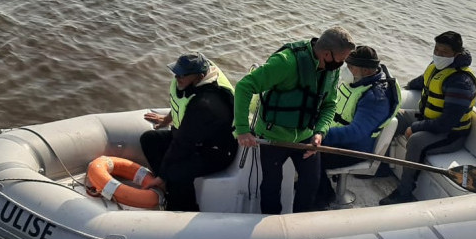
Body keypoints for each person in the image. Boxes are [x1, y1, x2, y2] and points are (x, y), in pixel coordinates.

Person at [234, 26, 355, 214]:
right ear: (326, 53)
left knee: (311, 182)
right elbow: (244, 87)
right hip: (273, 136)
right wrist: (242, 129)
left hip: (306, 136)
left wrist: (320, 132)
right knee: (271, 185)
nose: (342, 65)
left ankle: (299, 223)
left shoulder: (332, 70)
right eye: (341, 60)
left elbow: (330, 105)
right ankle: (271, 223)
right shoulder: (286, 63)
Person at [379, 31, 476, 205]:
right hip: (428, 119)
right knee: (393, 117)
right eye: (436, 49)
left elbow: (447, 122)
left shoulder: (461, 82)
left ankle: (404, 191)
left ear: (457, 54)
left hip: (450, 134)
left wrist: (416, 127)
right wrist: (406, 87)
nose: (438, 54)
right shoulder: (438, 67)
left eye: (444, 52)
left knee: (416, 140)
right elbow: (424, 80)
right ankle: (382, 166)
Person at [140, 52, 238, 211]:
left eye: (182, 75)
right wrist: (166, 120)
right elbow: (181, 102)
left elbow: (183, 143)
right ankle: (168, 187)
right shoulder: (192, 81)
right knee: (149, 139)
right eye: (175, 73)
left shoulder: (205, 105)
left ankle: (184, 209)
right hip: (195, 138)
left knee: (176, 172)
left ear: (199, 76)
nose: (177, 77)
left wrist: (162, 175)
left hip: (216, 151)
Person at [315, 46, 401, 208]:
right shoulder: (359, 82)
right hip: (340, 139)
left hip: (355, 150)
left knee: (310, 156)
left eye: (351, 67)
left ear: (367, 71)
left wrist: (319, 135)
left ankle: (323, 197)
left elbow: (356, 133)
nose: (347, 70)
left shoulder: (375, 98)